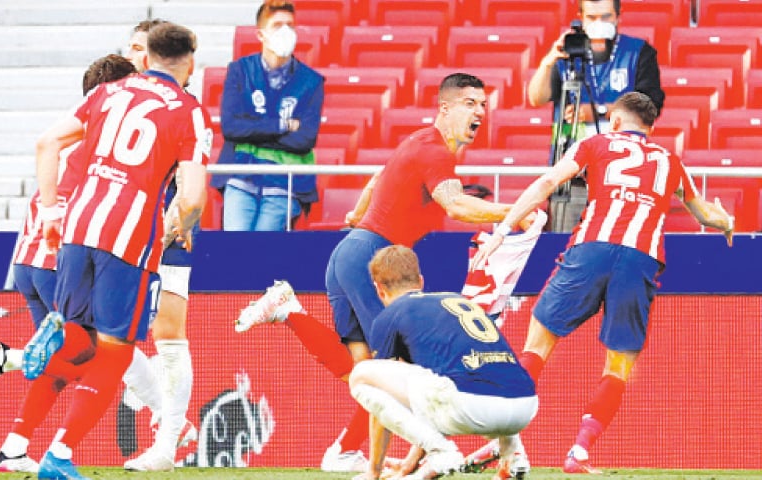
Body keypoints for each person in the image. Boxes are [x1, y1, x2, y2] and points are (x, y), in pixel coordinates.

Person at [234, 73, 534, 473]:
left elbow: (377, 179)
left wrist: (358, 214)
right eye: (469, 103)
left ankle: (292, 316)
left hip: (350, 253)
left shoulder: (420, 141)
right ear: (444, 108)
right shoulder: (437, 153)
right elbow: (458, 207)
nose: (479, 111)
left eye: (483, 104)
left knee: (361, 370)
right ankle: (410, 458)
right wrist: (517, 212)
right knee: (397, 372)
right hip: (375, 259)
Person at [471, 92, 734, 474]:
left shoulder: (595, 143)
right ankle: (579, 452)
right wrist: (727, 223)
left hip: (591, 247)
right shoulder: (670, 160)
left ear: (614, 122)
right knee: (618, 365)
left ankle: (503, 439)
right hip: (641, 258)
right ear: (651, 128)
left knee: (539, 340)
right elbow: (705, 213)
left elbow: (548, 181)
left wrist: (503, 230)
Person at [11, 22, 209, 479]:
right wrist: (179, 226)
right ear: (189, 62)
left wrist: (51, 213)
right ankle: (59, 455)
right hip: (131, 239)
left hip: (78, 225)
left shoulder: (108, 91)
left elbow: (47, 143)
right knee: (117, 350)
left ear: (148, 56)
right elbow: (193, 195)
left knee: (83, 338)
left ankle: (47, 344)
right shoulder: (189, 111)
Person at [0, 54, 136, 474]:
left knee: (65, 363)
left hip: (28, 259)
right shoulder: (103, 138)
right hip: (61, 257)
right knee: (98, 355)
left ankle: (13, 447)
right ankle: (8, 358)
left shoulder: (71, 131)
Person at [349, 245, 538, 480]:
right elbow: (430, 398)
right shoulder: (458, 300)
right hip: (525, 407)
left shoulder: (390, 316)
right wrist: (410, 464)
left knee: (362, 374)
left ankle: (441, 453)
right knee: (478, 374)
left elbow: (383, 403)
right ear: (420, 280)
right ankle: (513, 453)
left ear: (379, 290)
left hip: (472, 407)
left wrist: (373, 472)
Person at [120, 18, 199, 472]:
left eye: (141, 48)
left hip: (170, 226)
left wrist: (181, 217)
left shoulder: (184, 106)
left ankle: (167, 444)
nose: (135, 55)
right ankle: (173, 421)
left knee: (168, 333)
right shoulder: (110, 99)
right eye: (130, 47)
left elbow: (193, 180)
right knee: (108, 331)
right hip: (120, 228)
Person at [527, 0, 665, 232]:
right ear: (580, 16)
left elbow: (651, 105)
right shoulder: (567, 54)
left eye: (606, 17)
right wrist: (549, 60)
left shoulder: (639, 52)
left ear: (618, 17)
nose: (599, 23)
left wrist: (598, 111)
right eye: (592, 18)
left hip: (623, 175)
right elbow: (536, 98)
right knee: (565, 248)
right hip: (572, 176)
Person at [210, 0, 323, 231]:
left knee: (262, 252)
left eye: (290, 25)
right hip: (241, 176)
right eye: (277, 25)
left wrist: (253, 129)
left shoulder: (312, 81)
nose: (285, 31)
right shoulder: (240, 71)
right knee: (237, 247)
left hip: (285, 183)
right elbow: (231, 128)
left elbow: (305, 139)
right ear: (261, 34)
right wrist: (282, 125)